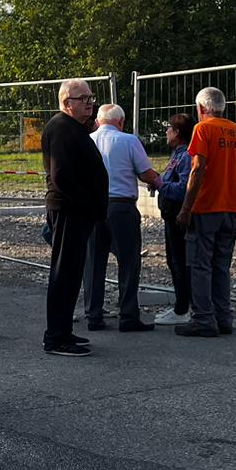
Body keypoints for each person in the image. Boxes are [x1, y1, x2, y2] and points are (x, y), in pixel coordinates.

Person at [175, 86, 236, 338]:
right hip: (230, 208)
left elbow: (197, 170)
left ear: (201, 109)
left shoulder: (203, 129)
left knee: (199, 265)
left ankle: (203, 319)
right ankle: (223, 316)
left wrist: (186, 208)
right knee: (221, 266)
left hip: (206, 208)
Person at [81, 104, 162, 332]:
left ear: (97, 121)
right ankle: (127, 315)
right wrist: (155, 179)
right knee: (128, 261)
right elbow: (145, 173)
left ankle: (93, 316)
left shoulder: (87, 140)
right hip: (122, 207)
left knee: (94, 263)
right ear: (121, 122)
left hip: (93, 207)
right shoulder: (129, 141)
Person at [40, 79, 106, 357]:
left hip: (78, 212)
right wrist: (89, 204)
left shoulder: (73, 128)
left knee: (71, 273)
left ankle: (63, 330)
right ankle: (56, 338)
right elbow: (62, 176)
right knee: (64, 274)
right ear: (67, 103)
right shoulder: (61, 129)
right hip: (70, 211)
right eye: (83, 98)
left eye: (91, 97)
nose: (90, 102)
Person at [152, 113, 194, 325]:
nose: (166, 132)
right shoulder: (177, 155)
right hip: (170, 216)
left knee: (180, 261)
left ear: (177, 133)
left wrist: (160, 184)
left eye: (168, 128)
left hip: (178, 217)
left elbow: (185, 188)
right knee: (174, 260)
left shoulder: (186, 156)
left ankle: (183, 308)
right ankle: (183, 304)